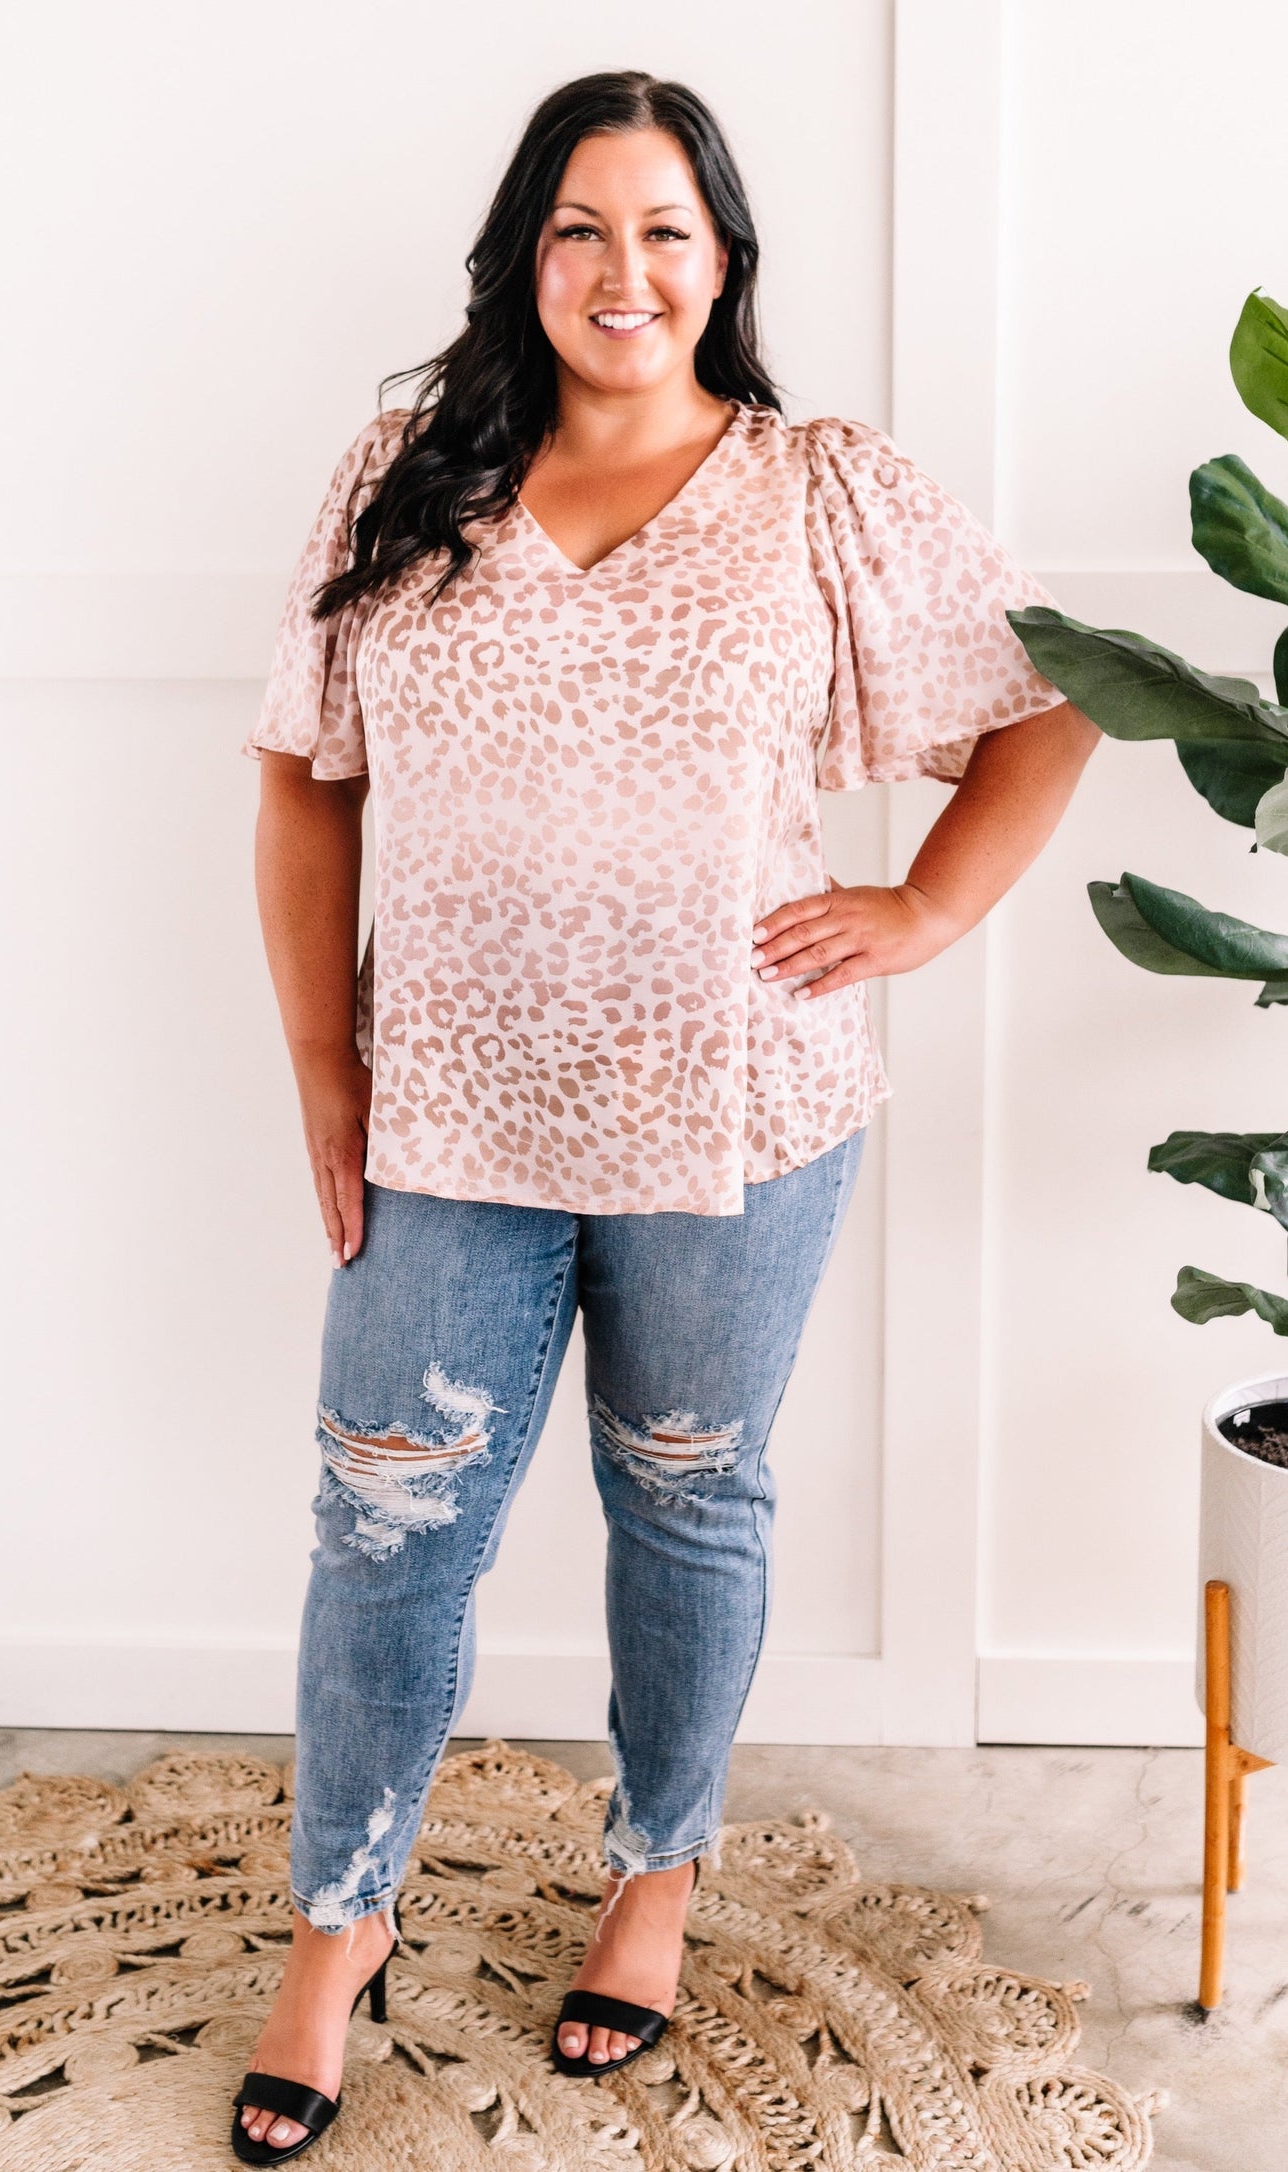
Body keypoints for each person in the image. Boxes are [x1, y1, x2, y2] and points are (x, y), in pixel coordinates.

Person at [231, 68, 1099, 2163]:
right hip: (449, 1110)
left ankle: (655, 1881)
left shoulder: (823, 488)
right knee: (383, 1520)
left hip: (741, 1114)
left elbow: (1041, 709)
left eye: (666, 232)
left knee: (689, 1496)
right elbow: (300, 774)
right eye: (582, 231)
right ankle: (335, 1937)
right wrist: (328, 1073)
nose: (626, 273)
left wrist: (919, 904)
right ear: (527, 258)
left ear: (723, 262)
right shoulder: (402, 476)